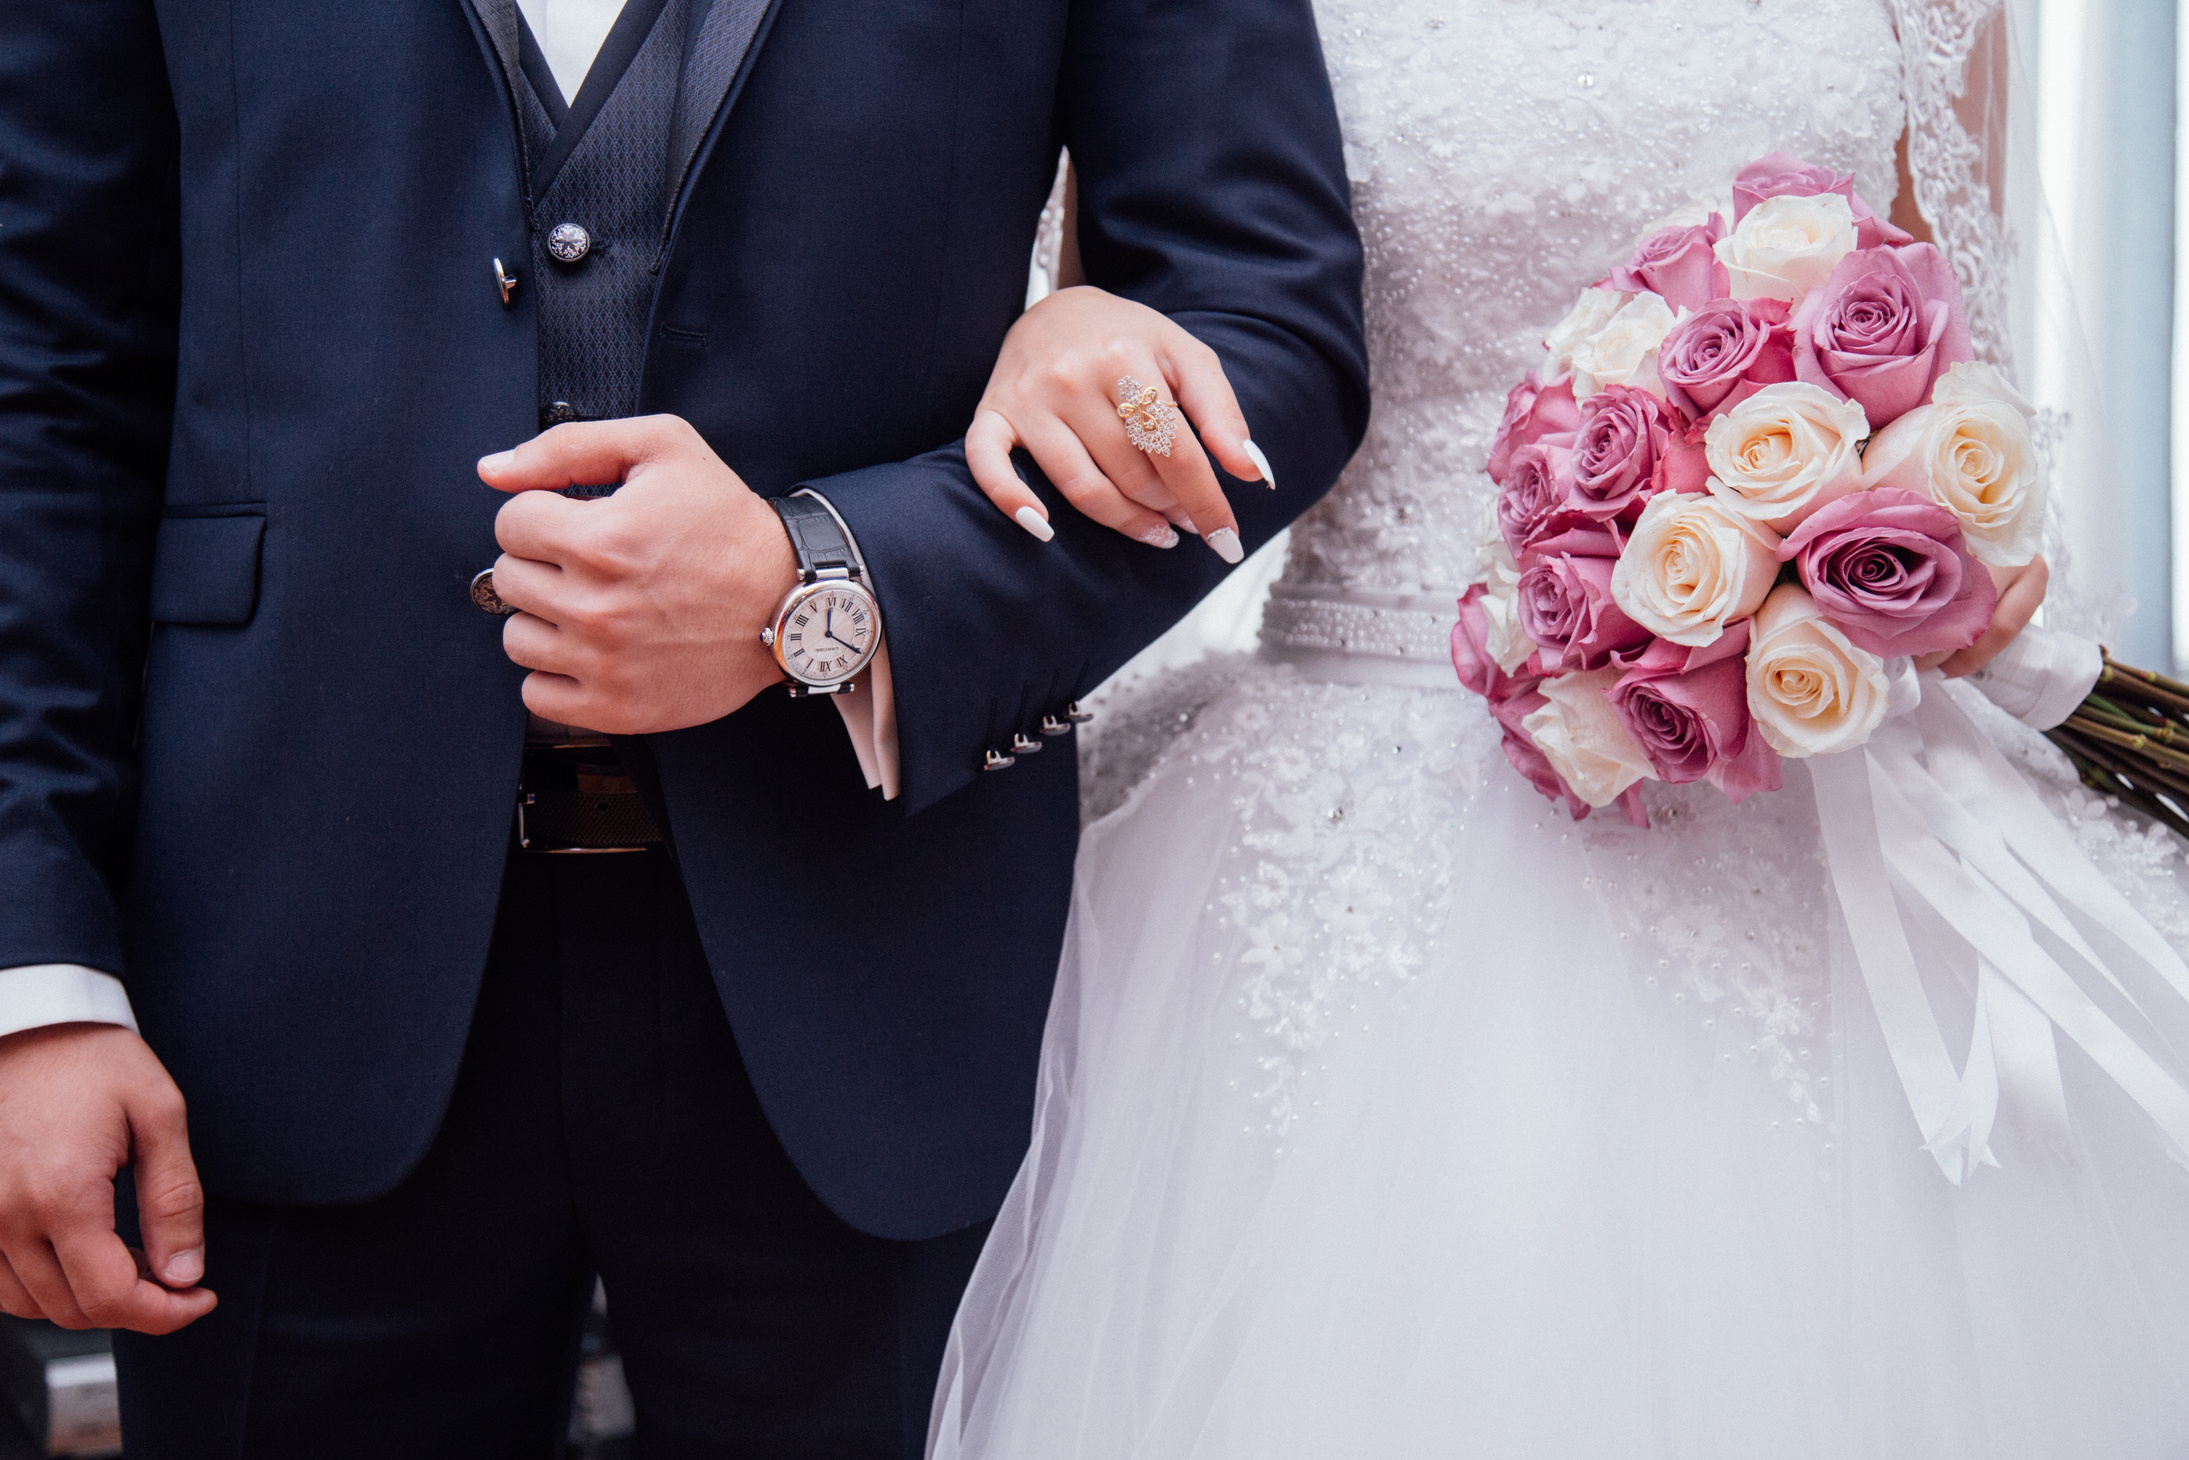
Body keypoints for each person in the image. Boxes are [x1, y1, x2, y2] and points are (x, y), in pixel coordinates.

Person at [0, 0, 1366, 1453]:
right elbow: (43, 376)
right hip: (281, 948)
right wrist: (32, 972)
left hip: (879, 960)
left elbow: (1265, 328)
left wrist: (828, 584)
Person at [925, 0, 2189, 1454]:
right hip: (1352, 806)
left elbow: (1957, 353)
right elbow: (1139, 354)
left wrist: (1909, 558)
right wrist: (1061, 322)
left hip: (1812, 762)